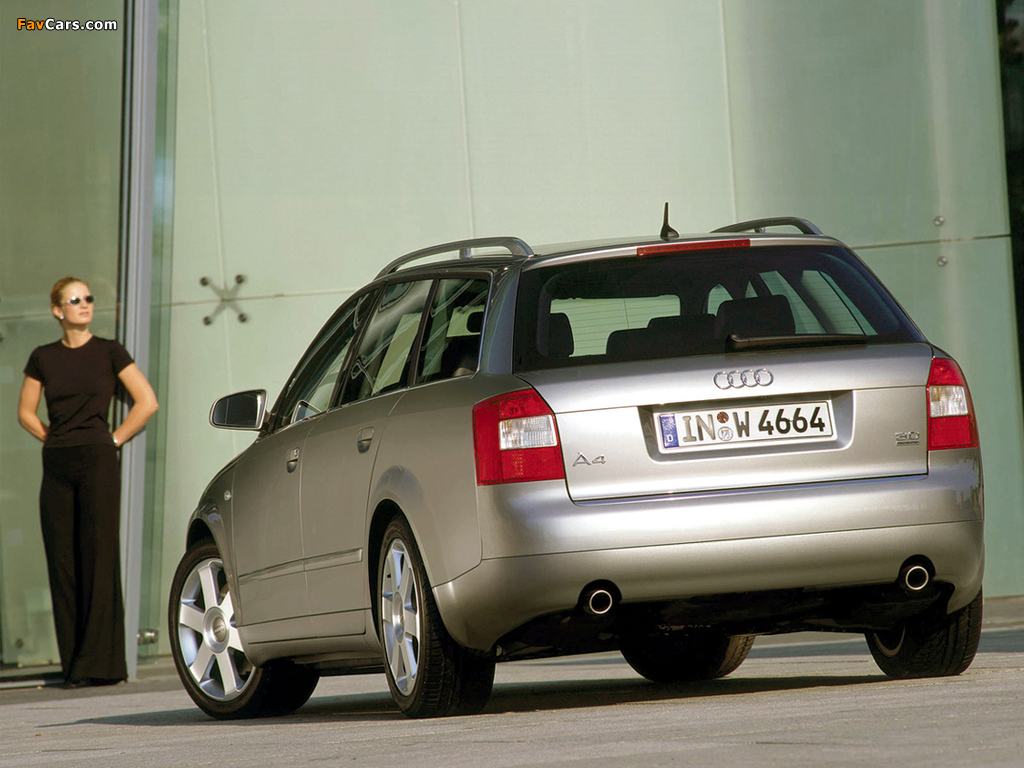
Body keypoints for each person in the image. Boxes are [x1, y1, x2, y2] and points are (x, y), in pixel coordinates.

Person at [17, 276, 159, 688]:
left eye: (88, 298)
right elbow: (25, 412)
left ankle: (101, 666)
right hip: (57, 463)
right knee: (62, 560)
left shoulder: (110, 351)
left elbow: (147, 401)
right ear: (57, 310)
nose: (85, 304)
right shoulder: (43, 357)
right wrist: (53, 438)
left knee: (98, 556)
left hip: (98, 460)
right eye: (75, 299)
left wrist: (113, 439)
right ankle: (73, 665)